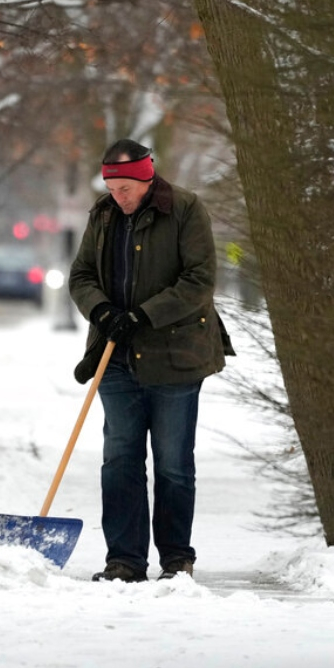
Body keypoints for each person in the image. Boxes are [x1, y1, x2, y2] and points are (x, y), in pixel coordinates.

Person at [68, 138, 233, 583]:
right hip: (113, 358)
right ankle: (124, 560)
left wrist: (143, 315)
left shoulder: (184, 209)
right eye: (111, 186)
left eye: (124, 187)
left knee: (173, 462)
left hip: (175, 357)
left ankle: (177, 558)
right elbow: (81, 275)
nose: (117, 196)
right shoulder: (102, 215)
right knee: (119, 459)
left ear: (145, 179)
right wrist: (101, 311)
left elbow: (199, 280)